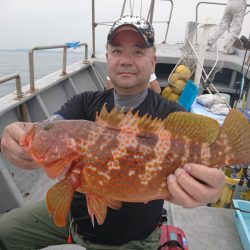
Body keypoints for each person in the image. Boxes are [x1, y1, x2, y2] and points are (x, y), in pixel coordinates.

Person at [0, 15, 225, 250]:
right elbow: (52, 122)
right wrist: (15, 133)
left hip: (133, 238)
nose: (126, 60)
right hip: (74, 217)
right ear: (108, 59)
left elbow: (208, 162)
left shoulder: (170, 117)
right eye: (117, 51)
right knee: (4, 231)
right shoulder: (84, 102)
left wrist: (211, 185)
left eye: (138, 52)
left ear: (153, 62)